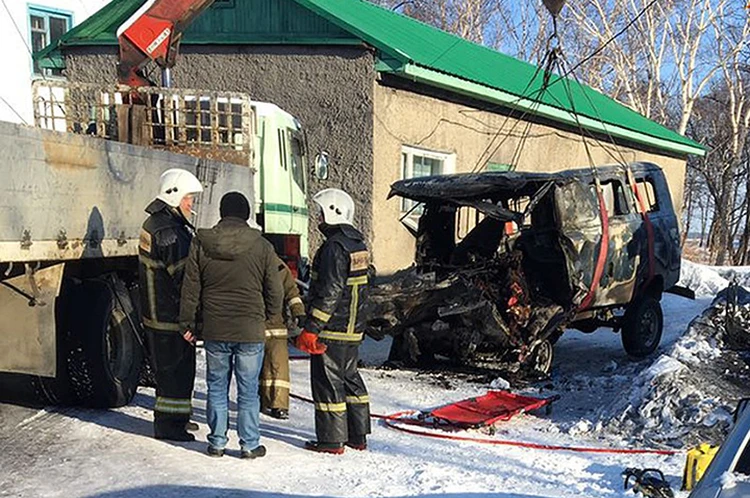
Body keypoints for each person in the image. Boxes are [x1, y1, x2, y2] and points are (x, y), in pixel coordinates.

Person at [179, 192, 283, 459]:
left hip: (215, 328)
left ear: (222, 213)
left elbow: (191, 287)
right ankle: (249, 444)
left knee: (216, 386)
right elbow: (274, 288)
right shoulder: (262, 246)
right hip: (250, 330)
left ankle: (216, 442)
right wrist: (272, 316)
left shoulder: (201, 243)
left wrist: (187, 321)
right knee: (248, 390)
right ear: (247, 214)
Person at [295, 188, 371, 454]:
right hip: (353, 330)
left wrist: (312, 328)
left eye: (320, 211)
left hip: (333, 329)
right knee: (350, 380)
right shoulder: (358, 245)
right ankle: (357, 435)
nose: (318, 217)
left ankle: (331, 440)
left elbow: (330, 292)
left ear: (332, 211)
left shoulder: (334, 248)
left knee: (328, 384)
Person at [139, 168, 203, 442]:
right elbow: (186, 279)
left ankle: (177, 418)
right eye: (189, 198)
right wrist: (194, 315)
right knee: (176, 371)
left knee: (171, 371)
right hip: (169, 316)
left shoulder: (155, 224)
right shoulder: (171, 233)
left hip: (157, 313)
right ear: (174, 196)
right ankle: (170, 426)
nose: (191, 204)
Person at [260, 258, 306, 420]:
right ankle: (261, 400)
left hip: (275, 325)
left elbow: (292, 292)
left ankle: (279, 404)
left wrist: (298, 312)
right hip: (253, 325)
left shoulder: (278, 266)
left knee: (278, 366)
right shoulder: (248, 262)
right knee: (255, 368)